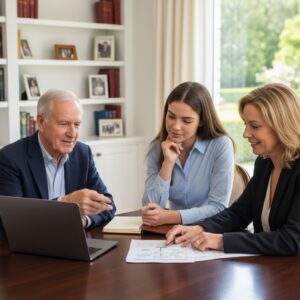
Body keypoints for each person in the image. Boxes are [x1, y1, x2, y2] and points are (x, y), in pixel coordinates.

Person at [166, 83, 300, 256]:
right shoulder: (265, 164)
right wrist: (200, 228)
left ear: (282, 126)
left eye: (255, 126)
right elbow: (238, 214)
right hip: (271, 271)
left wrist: (221, 241)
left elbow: (292, 239)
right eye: (246, 124)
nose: (245, 133)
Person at [0, 89, 116, 238]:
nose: (72, 133)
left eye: (77, 124)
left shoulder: (82, 153)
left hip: (73, 244)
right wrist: (65, 203)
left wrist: (84, 220)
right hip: (31, 251)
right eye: (64, 124)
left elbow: (108, 205)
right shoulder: (10, 158)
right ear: (41, 122)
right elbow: (12, 222)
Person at [141, 81, 235, 226]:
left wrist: (171, 217)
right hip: (169, 232)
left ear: (201, 121)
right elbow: (150, 206)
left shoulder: (220, 145)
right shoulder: (157, 147)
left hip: (206, 231)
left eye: (186, 120)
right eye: (171, 116)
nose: (176, 126)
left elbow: (218, 207)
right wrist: (168, 163)